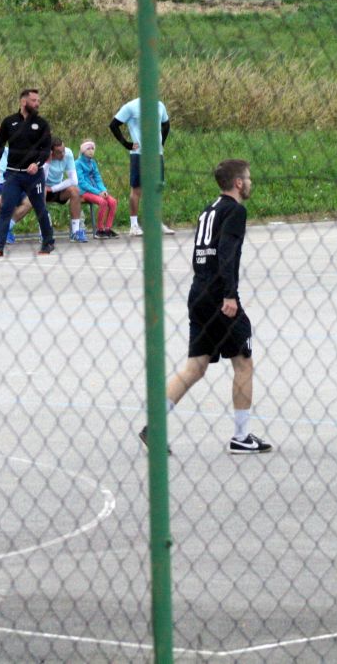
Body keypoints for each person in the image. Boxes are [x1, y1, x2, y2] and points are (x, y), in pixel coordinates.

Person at [138, 159, 271, 454]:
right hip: (220, 296)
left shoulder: (208, 210)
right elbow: (226, 252)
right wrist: (229, 295)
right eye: (248, 178)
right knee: (243, 362)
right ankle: (241, 437)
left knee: (196, 367)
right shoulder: (235, 211)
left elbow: (201, 254)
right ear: (238, 183)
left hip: (198, 292)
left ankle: (154, 426)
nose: (250, 183)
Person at [0, 88, 56, 258]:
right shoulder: (9, 122)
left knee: (40, 208)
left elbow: (46, 149)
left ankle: (48, 242)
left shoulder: (42, 124)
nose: (37, 104)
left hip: (34, 176)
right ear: (23, 101)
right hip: (13, 174)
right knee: (6, 207)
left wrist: (37, 164)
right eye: (34, 100)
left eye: (38, 101)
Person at [110, 96, 175, 236]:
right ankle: (134, 226)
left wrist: (161, 144)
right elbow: (113, 125)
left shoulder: (159, 105)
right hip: (139, 154)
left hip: (156, 154)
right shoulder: (131, 106)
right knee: (137, 189)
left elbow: (166, 124)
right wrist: (127, 144)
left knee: (156, 189)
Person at [46, 137, 87, 242]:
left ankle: (75, 232)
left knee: (75, 191)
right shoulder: (43, 155)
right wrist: (47, 161)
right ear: (51, 152)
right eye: (59, 152)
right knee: (40, 191)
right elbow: (40, 179)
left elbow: (74, 180)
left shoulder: (68, 153)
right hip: (42, 189)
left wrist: (53, 189)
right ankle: (45, 231)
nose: (63, 154)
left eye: (63, 150)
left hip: (57, 189)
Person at [75, 140, 119, 239]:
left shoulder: (93, 162)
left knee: (113, 202)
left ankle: (107, 229)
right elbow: (82, 183)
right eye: (88, 149)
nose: (91, 151)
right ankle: (99, 230)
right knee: (103, 202)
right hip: (84, 191)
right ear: (83, 151)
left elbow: (98, 178)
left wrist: (103, 190)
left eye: (92, 148)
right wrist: (98, 192)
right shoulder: (78, 163)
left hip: (96, 190)